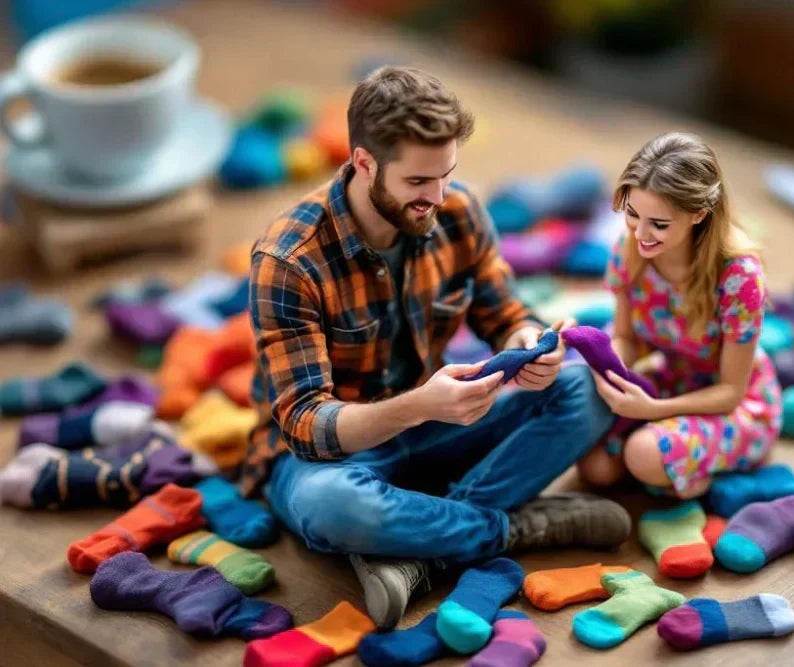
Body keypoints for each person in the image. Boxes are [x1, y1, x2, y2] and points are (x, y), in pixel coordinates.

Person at [240, 66, 629, 628]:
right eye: (419, 183)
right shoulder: (289, 261)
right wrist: (418, 405)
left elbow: (505, 312)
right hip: (327, 457)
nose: (438, 196)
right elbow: (303, 423)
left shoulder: (457, 210)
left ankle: (422, 555)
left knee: (586, 386)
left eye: (446, 175)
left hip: (438, 423)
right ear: (364, 162)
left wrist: (526, 342)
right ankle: (515, 528)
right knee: (335, 506)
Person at [577, 132, 783, 498]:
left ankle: (720, 479)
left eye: (658, 224)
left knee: (642, 454)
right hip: (669, 380)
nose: (640, 233)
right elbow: (626, 338)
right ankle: (672, 475)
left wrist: (654, 409)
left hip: (734, 407)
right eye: (632, 214)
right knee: (595, 468)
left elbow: (730, 393)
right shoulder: (630, 249)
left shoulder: (739, 276)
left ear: (698, 214)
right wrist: (609, 371)